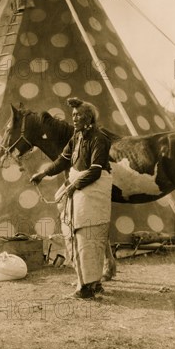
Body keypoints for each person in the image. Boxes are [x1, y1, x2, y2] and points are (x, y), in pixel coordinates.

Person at [30, 97, 112, 299]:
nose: (74, 119)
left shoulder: (99, 139)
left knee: (88, 234)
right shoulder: (76, 137)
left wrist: (74, 185)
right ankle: (90, 282)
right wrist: (44, 173)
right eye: (73, 115)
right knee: (70, 231)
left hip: (94, 189)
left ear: (89, 118)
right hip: (80, 186)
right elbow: (63, 160)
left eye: (79, 115)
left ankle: (88, 286)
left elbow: (95, 171)